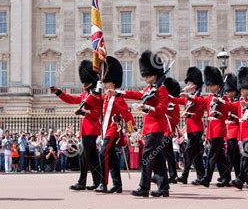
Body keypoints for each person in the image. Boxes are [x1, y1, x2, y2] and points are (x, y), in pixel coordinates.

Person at [115, 50, 170, 197]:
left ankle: (144, 187)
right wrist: (120, 93)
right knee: (157, 158)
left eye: (147, 75)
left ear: (155, 74)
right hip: (150, 128)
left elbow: (162, 109)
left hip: (157, 127)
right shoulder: (150, 89)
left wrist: (148, 108)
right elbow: (138, 95)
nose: (145, 77)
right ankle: (164, 187)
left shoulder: (162, 90)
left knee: (147, 156)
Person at [50, 60, 101, 191]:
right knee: (93, 157)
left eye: (85, 81)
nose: (84, 84)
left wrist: (84, 112)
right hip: (85, 130)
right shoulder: (86, 94)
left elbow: (96, 113)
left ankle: (82, 182)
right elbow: (71, 99)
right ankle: (98, 182)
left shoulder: (95, 95)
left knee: (84, 157)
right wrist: (58, 92)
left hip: (91, 130)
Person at [95, 56, 135, 193]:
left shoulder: (118, 98)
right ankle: (117, 184)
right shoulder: (106, 97)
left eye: (106, 82)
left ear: (112, 83)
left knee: (103, 153)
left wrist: (131, 131)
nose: (104, 85)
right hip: (106, 130)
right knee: (111, 157)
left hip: (113, 130)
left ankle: (103, 182)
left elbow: (127, 115)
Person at [172, 67, 206, 184]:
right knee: (196, 155)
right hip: (190, 130)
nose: (188, 84)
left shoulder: (199, 97)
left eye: (190, 83)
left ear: (195, 85)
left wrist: (189, 97)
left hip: (197, 129)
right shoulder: (188, 99)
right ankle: (201, 177)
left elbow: (201, 108)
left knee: (188, 152)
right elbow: (178, 100)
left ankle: (185, 175)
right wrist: (169, 97)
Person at [200, 66, 230, 187]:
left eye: (212, 85)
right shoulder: (210, 97)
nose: (210, 87)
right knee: (219, 156)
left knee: (212, 154)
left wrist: (221, 102)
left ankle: (207, 178)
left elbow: (228, 110)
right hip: (212, 129)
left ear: (218, 85)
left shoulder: (223, 97)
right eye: (209, 85)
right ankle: (226, 177)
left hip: (219, 129)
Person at [161, 77, 181, 185]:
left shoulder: (173, 103)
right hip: (163, 131)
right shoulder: (163, 100)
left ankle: (163, 176)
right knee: (169, 155)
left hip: (167, 132)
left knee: (162, 154)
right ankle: (173, 176)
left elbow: (176, 118)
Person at [222, 73, 241, 184]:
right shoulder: (229, 100)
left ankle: (227, 177)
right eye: (227, 91)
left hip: (235, 131)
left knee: (231, 155)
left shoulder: (238, 101)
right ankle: (238, 176)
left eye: (230, 91)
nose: (228, 93)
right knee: (234, 156)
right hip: (228, 131)